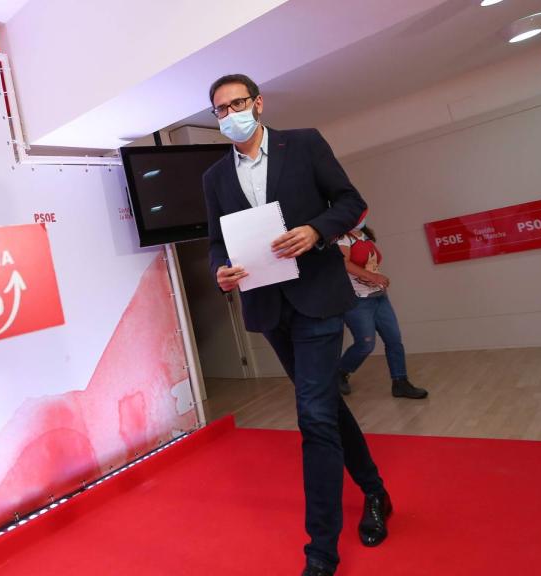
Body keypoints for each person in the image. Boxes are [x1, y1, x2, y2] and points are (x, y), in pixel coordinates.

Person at [202, 74, 392, 576]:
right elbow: (216, 243)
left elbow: (350, 202)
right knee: (324, 405)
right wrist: (219, 271)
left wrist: (316, 231)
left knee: (312, 416)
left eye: (238, 103)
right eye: (220, 110)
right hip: (268, 309)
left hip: (318, 300)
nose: (231, 114)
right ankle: (374, 490)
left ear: (258, 104)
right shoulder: (214, 178)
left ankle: (321, 552)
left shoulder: (303, 144)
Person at [336, 213, 429, 399]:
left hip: (379, 297)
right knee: (365, 344)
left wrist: (377, 278)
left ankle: (400, 382)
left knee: (394, 340)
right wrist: (374, 277)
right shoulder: (342, 238)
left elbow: (369, 265)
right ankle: (338, 374)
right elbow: (342, 263)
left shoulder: (364, 236)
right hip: (358, 300)